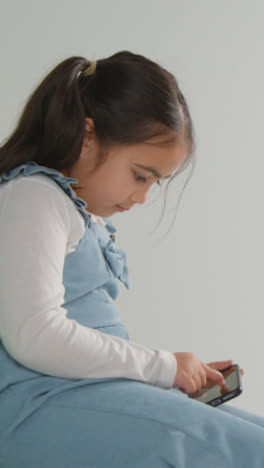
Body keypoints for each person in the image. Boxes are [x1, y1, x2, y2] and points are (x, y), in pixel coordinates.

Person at [0, 51, 263, 468]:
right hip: (38, 404)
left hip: (73, 395)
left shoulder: (70, 209)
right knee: (236, 448)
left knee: (253, 437)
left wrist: (168, 377)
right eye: (141, 175)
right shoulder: (35, 196)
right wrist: (162, 367)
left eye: (154, 184)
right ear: (87, 136)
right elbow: (35, 335)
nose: (142, 197)